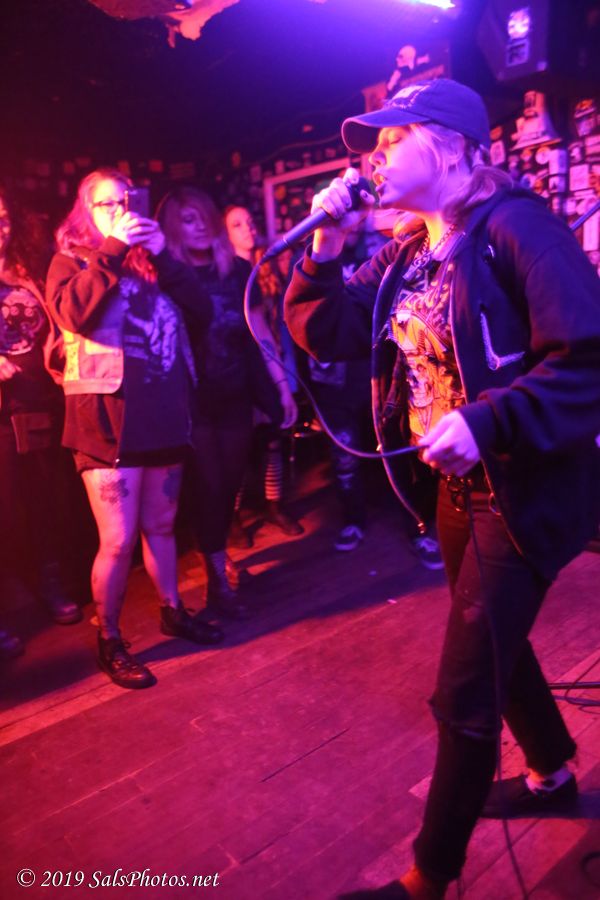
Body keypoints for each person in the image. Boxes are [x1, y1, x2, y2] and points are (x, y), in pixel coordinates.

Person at [284, 79, 600, 897]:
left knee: (463, 692)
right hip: (456, 494)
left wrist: (487, 421)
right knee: (499, 642)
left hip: (518, 491)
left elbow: (586, 360)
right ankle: (552, 770)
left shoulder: (518, 229)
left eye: (395, 140)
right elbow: (328, 330)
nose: (376, 157)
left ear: (455, 147)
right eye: (374, 145)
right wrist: (323, 251)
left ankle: (429, 878)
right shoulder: (406, 254)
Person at [46, 168, 223, 690]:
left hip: (162, 413)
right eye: (106, 203)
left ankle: (173, 611)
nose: (119, 210)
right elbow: (71, 312)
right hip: (106, 420)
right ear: (86, 211)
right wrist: (113, 248)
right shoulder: (72, 260)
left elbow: (201, 311)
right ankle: (110, 639)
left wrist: (163, 255)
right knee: (119, 540)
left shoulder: (150, 261)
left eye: (126, 200)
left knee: (163, 526)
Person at [157, 187, 283, 619]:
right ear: (172, 228)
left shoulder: (238, 270)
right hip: (193, 403)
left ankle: (216, 558)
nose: (198, 227)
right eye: (187, 220)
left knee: (229, 485)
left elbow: (258, 332)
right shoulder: (167, 278)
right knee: (209, 486)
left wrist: (279, 386)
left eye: (203, 218)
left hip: (236, 392)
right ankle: (217, 583)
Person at [0, 184, 82, 660]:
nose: (1, 227)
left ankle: (51, 583)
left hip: (38, 402)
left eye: (4, 217)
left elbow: (56, 320)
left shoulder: (25, 269)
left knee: (46, 501)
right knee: (4, 512)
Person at [224, 205, 302, 540]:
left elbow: (273, 324)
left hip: (270, 360)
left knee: (273, 440)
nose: (248, 228)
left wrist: (283, 376)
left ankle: (274, 505)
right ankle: (232, 516)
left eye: (249, 221)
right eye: (237, 224)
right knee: (239, 448)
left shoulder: (266, 267)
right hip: (240, 369)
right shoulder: (224, 273)